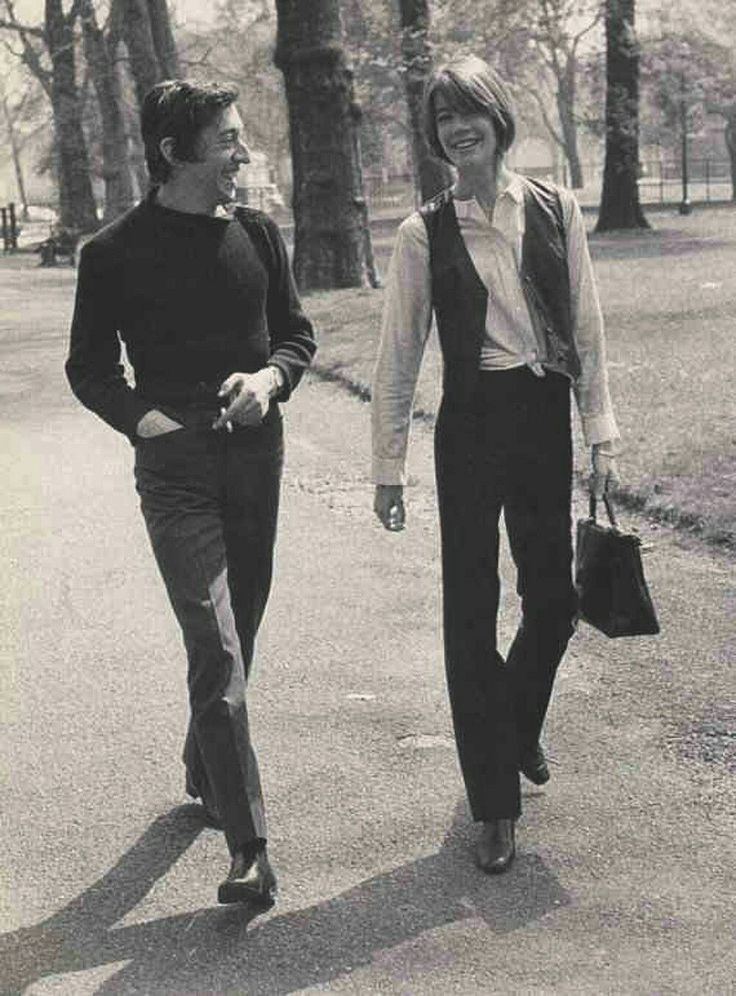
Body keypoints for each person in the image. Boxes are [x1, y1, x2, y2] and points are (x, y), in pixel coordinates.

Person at [66, 80, 316, 906]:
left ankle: (203, 758)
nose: (243, 153)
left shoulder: (257, 233)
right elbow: (90, 369)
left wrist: (272, 380)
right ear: (175, 153)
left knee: (239, 628)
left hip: (256, 463)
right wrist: (145, 423)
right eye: (229, 140)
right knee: (216, 644)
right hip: (175, 474)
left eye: (240, 138)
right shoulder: (112, 253)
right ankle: (251, 850)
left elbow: (296, 334)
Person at [372, 55, 619, 874]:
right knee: (470, 612)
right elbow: (399, 353)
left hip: (543, 412)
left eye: (468, 111)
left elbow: (585, 325)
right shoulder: (422, 231)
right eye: (443, 118)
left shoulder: (555, 208)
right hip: (471, 424)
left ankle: (513, 723)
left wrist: (600, 433)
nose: (456, 128)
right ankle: (495, 807)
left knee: (554, 600)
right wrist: (387, 467)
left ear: (498, 118)